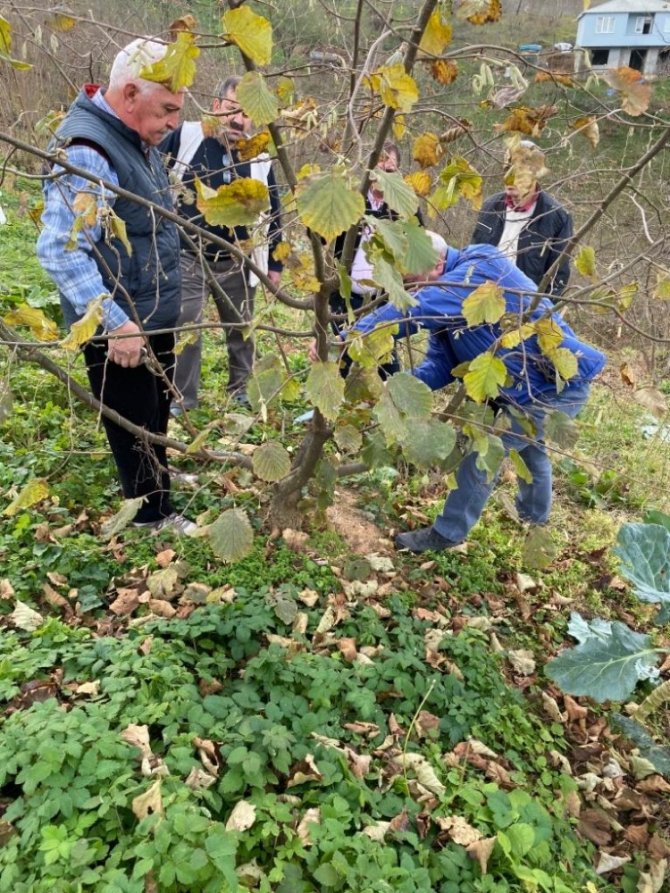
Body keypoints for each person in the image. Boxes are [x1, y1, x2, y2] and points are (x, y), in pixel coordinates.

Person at [345, 232, 606, 553]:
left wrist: (347, 338)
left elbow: (416, 308)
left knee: (483, 450)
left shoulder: (480, 266)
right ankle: (534, 516)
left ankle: (447, 534)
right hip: (518, 391)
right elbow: (440, 368)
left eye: (412, 280)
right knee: (529, 447)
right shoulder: (446, 308)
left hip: (556, 387)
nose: (410, 288)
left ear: (437, 264)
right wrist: (396, 391)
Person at [37, 37, 195, 534]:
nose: (173, 123)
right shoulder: (89, 150)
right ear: (130, 95)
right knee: (132, 421)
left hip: (151, 310)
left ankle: (158, 480)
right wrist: (116, 323)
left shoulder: (133, 136)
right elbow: (61, 249)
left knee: (155, 409)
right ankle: (151, 516)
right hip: (122, 322)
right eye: (167, 109)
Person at [160, 75, 283, 412]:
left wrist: (274, 263)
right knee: (188, 325)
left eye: (245, 113)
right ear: (216, 107)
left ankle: (240, 390)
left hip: (239, 260)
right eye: (231, 109)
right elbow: (152, 173)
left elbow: (275, 211)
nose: (237, 119)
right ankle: (183, 398)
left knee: (242, 327)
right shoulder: (185, 136)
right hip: (187, 253)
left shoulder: (259, 158)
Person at [331, 141, 423, 379]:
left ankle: (393, 402)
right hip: (346, 294)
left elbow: (419, 248)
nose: (383, 177)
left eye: (390, 172)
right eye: (378, 170)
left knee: (386, 358)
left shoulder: (405, 205)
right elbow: (320, 234)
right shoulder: (352, 197)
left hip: (384, 296)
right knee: (341, 354)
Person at [471, 140, 572, 297]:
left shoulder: (556, 217)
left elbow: (557, 279)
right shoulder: (490, 206)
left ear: (534, 175)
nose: (509, 178)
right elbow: (473, 255)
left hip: (523, 306)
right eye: (506, 170)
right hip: (483, 299)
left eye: (518, 172)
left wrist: (537, 314)